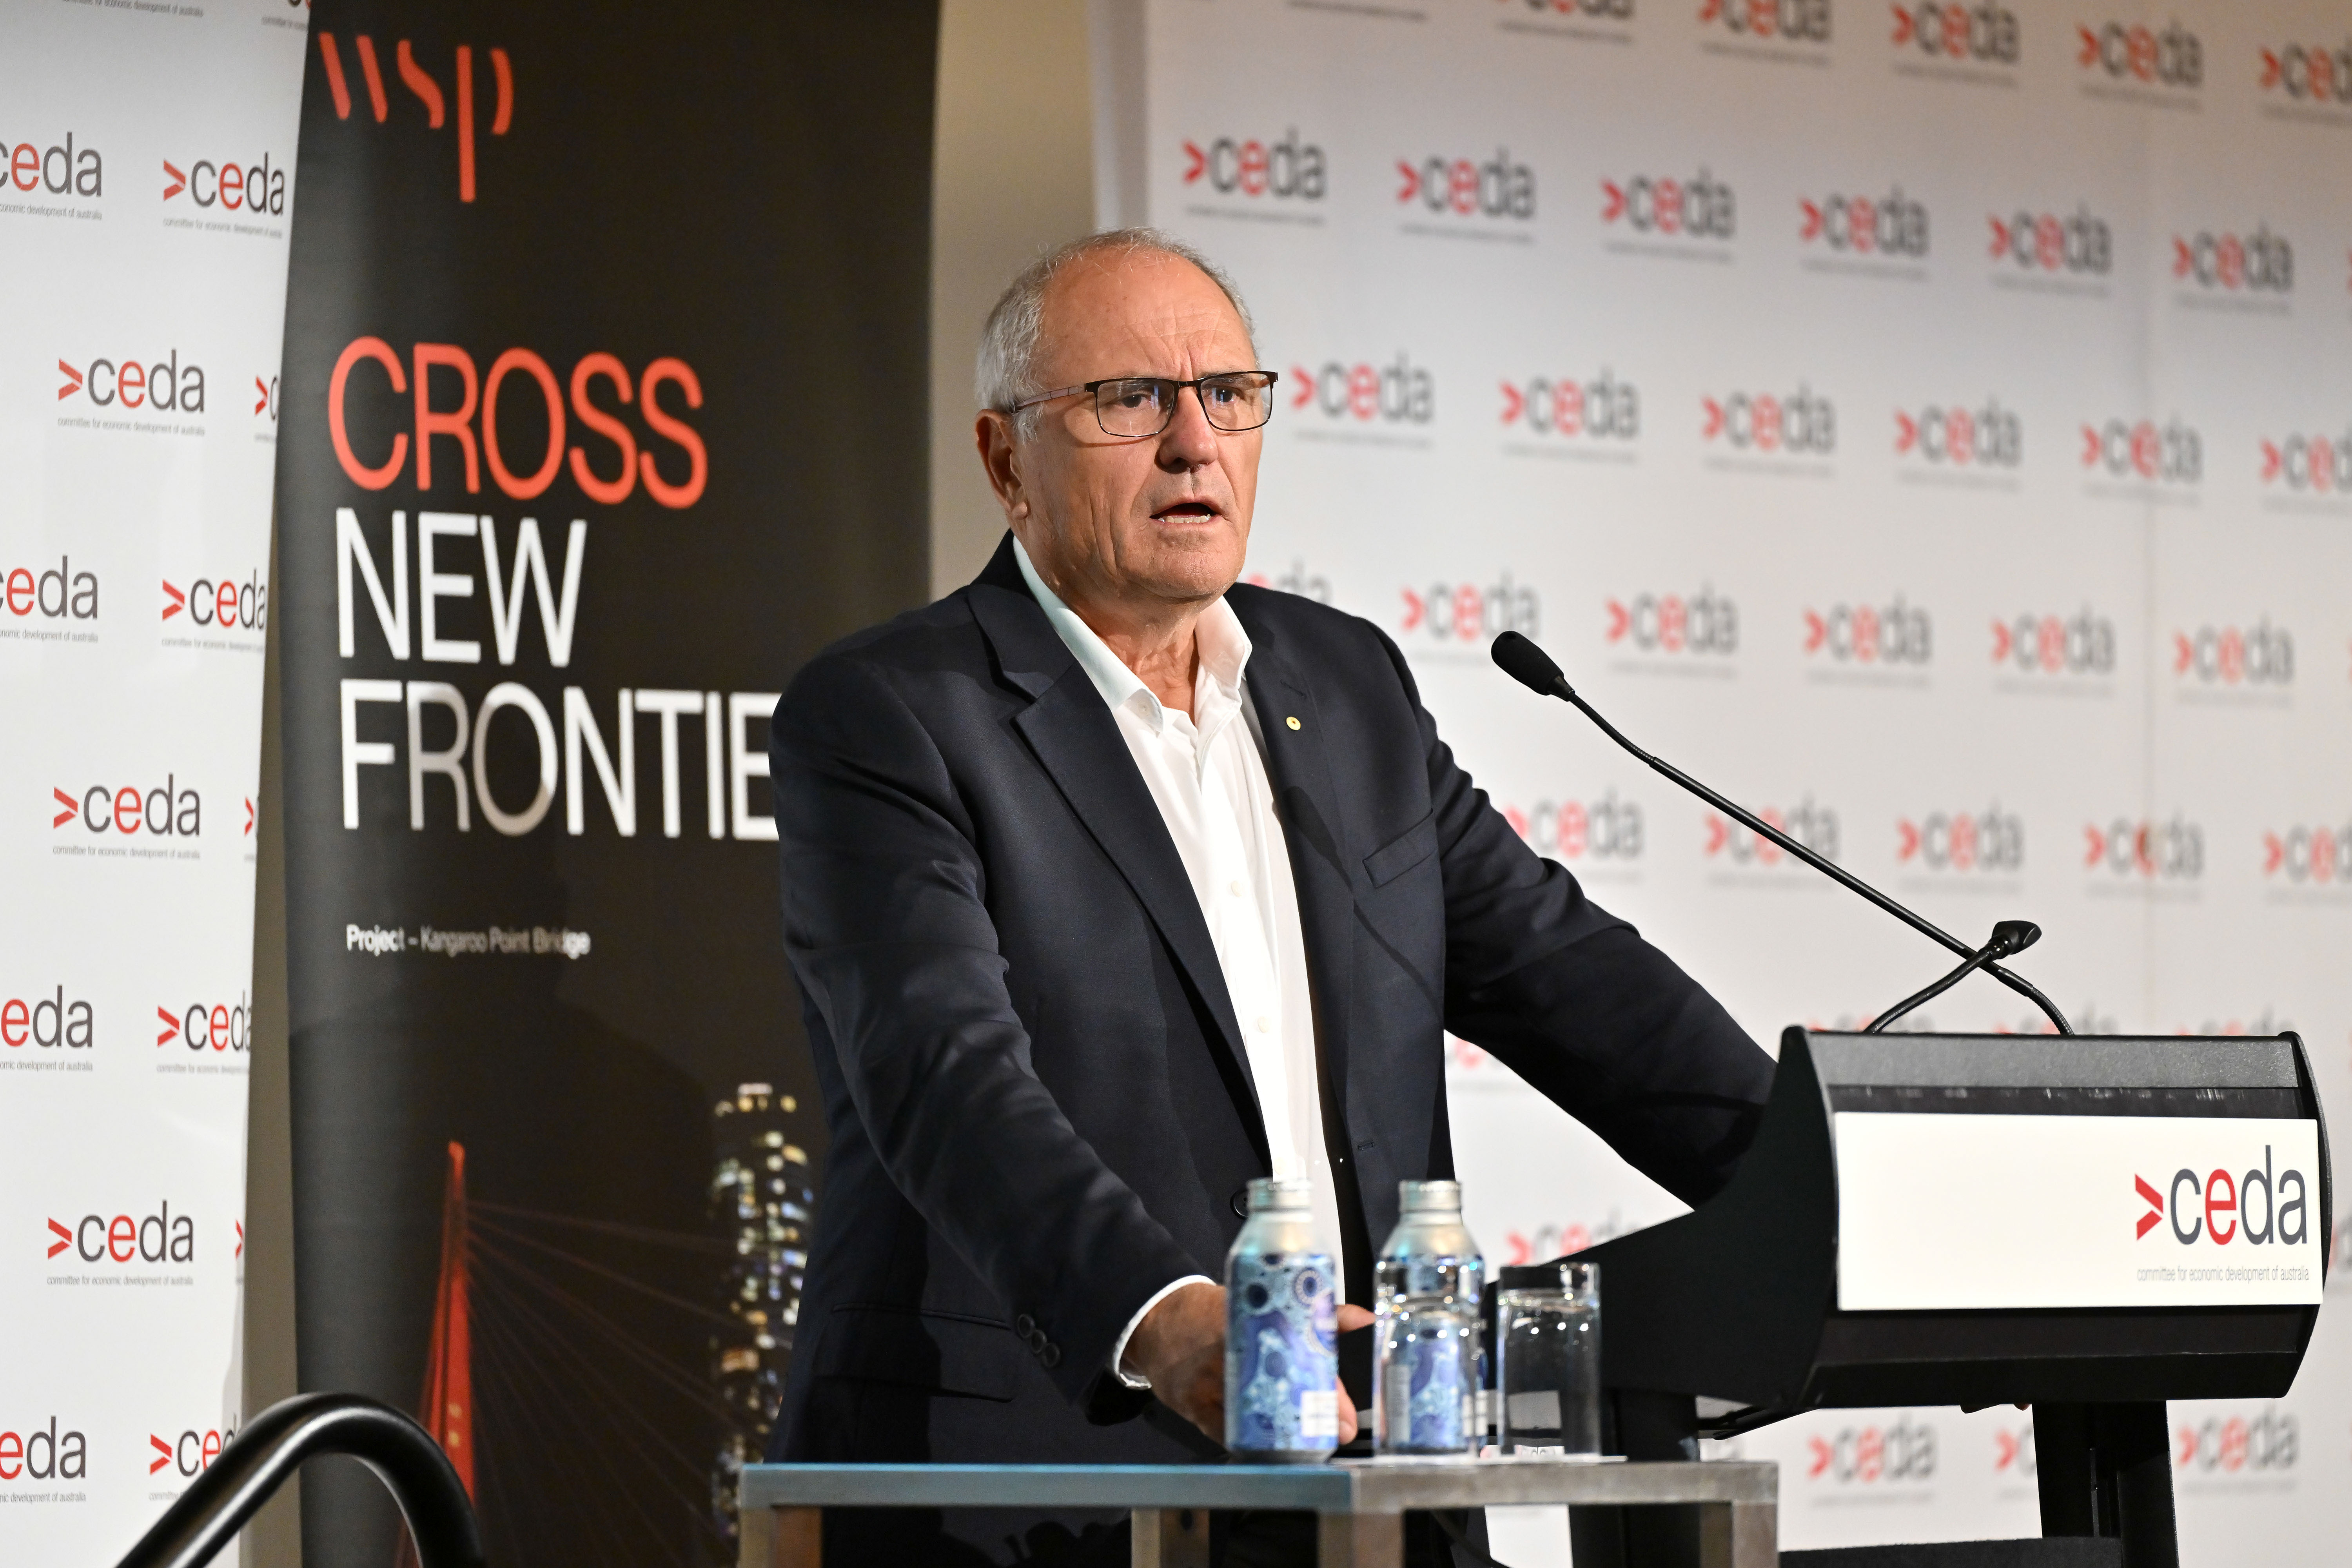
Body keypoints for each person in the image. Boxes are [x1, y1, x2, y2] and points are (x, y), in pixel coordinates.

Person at [766, 229, 1776, 1566]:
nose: (1195, 444)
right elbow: (941, 1076)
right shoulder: (892, 714)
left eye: (1229, 394)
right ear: (1007, 461)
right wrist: (1163, 1317)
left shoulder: (1348, 688)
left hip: (1356, 1482)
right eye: (1129, 400)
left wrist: (1826, 1186)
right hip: (1026, 1494)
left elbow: (1566, 973)